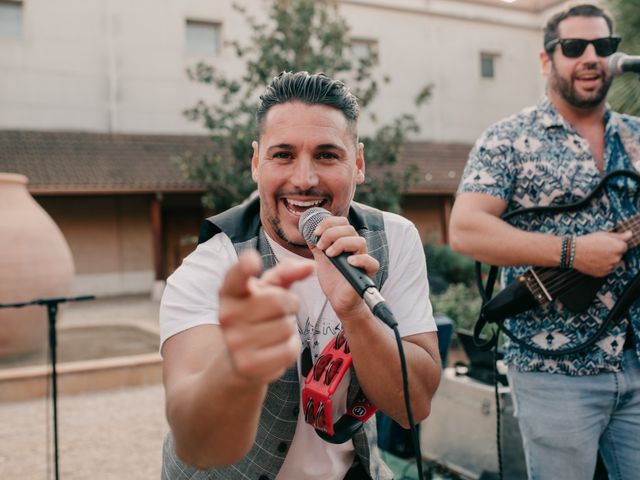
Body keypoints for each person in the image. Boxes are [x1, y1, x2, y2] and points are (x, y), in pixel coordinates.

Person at [159, 71, 441, 480]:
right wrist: (239, 365)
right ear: (256, 163)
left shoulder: (395, 239)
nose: (304, 180)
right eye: (283, 155)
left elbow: (413, 406)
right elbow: (198, 446)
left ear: (358, 163)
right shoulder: (212, 266)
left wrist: (356, 313)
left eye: (327, 155)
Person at [449, 4, 640, 479]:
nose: (592, 57)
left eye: (604, 46)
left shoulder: (636, 137)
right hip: (554, 370)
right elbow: (466, 229)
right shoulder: (509, 139)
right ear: (545, 59)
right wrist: (572, 252)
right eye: (575, 47)